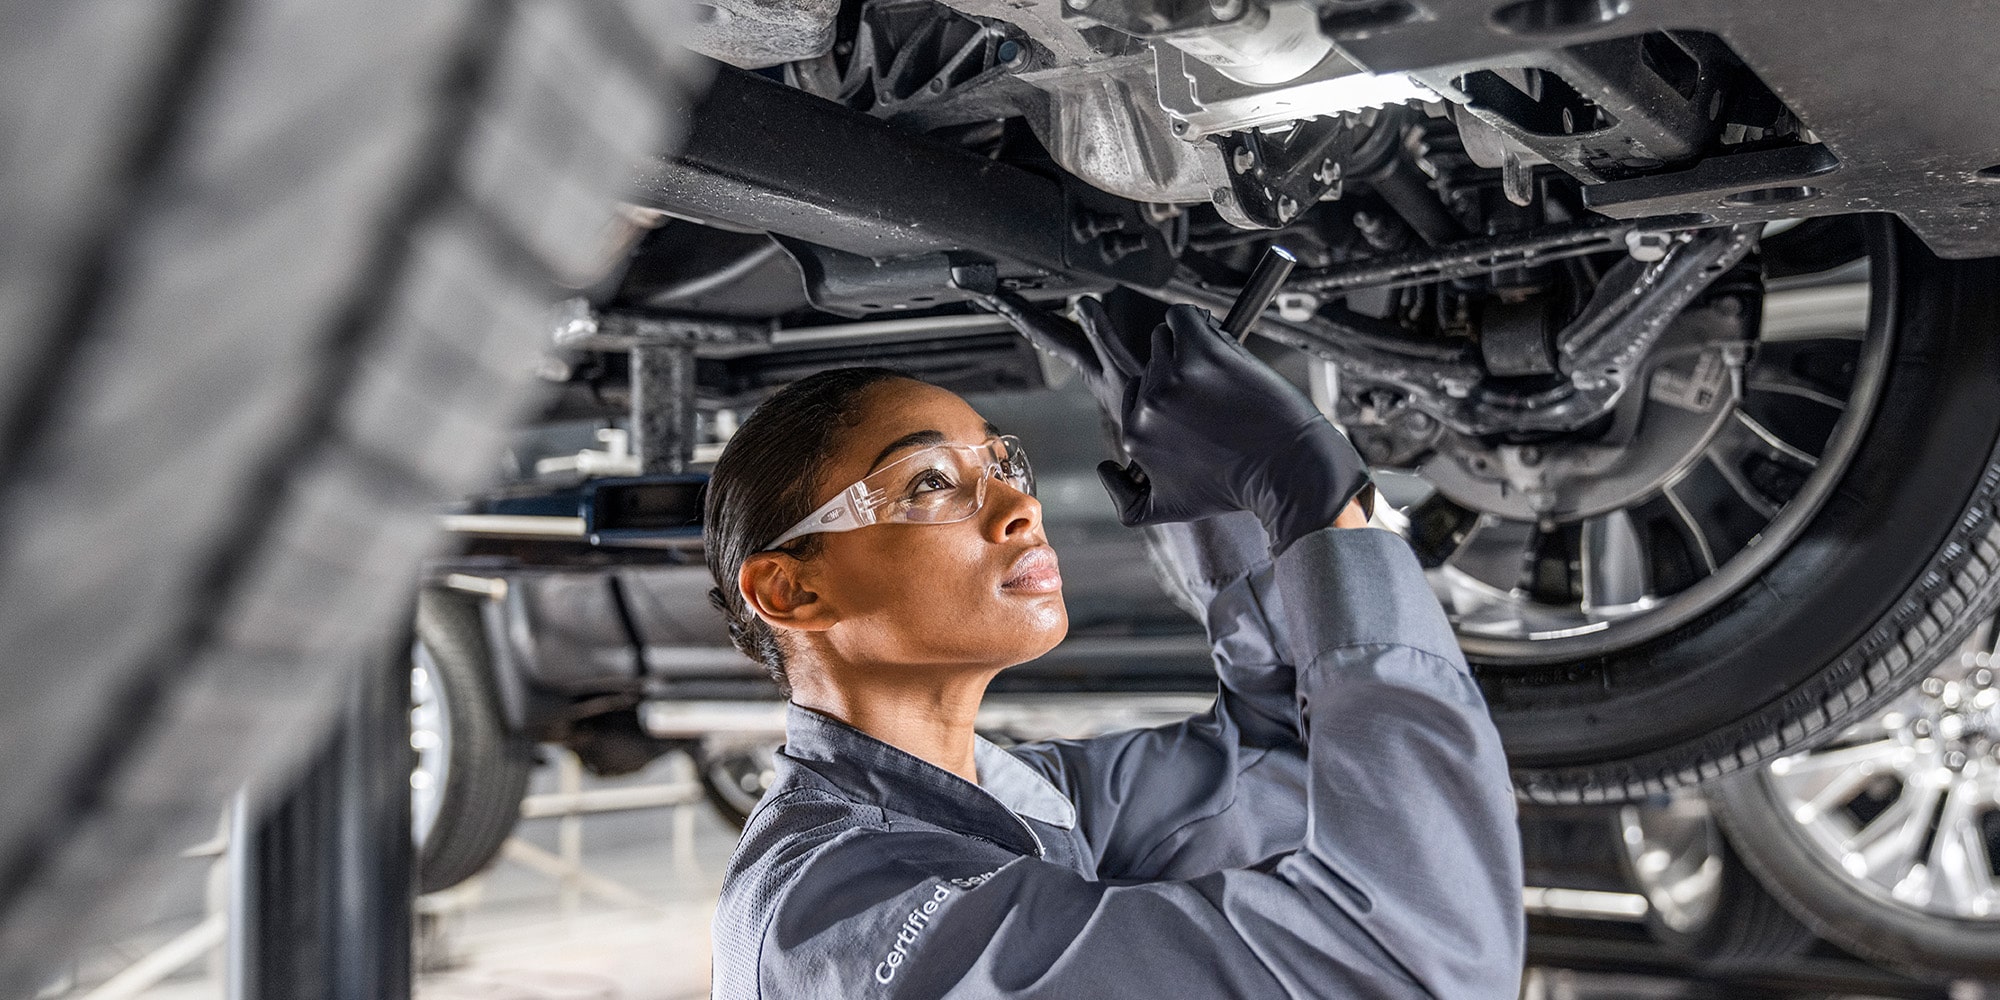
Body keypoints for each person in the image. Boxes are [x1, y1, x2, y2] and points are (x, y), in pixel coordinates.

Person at [703, 298, 1523, 999]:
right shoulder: (835, 922)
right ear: (792, 592)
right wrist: (1314, 498)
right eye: (929, 482)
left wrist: (1224, 500)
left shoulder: (1009, 800)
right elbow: (1411, 964)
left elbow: (1281, 768)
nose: (1019, 506)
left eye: (1002, 463)